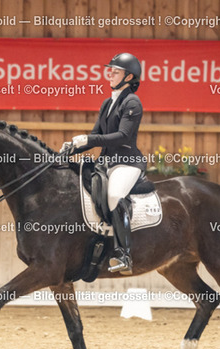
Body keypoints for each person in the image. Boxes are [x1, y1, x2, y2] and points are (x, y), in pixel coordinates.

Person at [65, 52, 146, 275]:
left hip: (127, 163)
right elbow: (95, 135)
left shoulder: (132, 102)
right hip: (107, 163)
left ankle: (124, 254)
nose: (109, 74)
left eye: (115, 71)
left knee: (115, 195)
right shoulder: (107, 103)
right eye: (109, 71)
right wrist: (72, 148)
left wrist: (89, 140)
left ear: (128, 77)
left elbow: (123, 136)